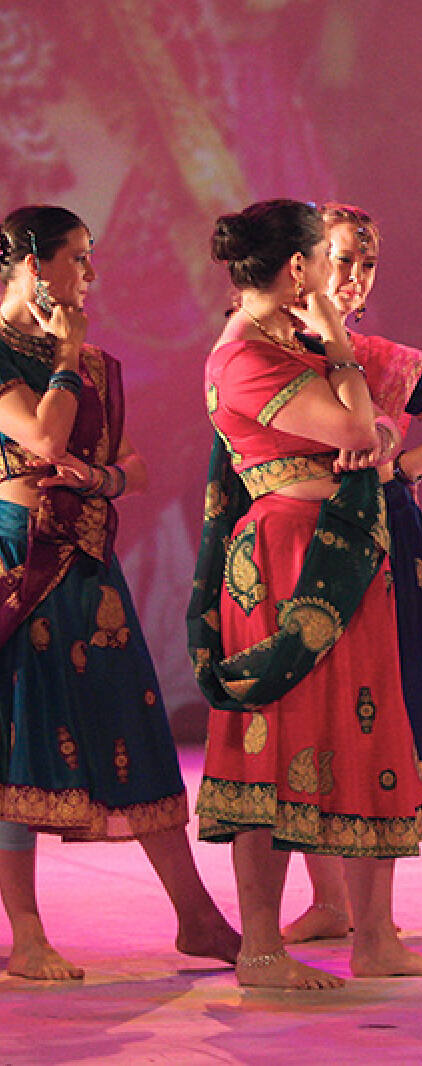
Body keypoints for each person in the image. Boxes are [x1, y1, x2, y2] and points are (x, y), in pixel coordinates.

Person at [188, 199, 422, 988]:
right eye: (323, 256)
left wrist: (371, 421)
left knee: (367, 732)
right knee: (271, 744)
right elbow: (354, 432)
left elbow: (374, 433)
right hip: (285, 561)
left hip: (343, 548)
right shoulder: (244, 355)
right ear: (298, 266)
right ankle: (261, 949)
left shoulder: (285, 342)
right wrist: (341, 349)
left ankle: (374, 938)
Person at [0, 205, 239, 980]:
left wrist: (99, 478)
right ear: (33, 267)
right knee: (20, 740)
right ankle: (28, 935)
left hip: (88, 566)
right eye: (77, 257)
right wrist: (66, 356)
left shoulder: (96, 365)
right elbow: (41, 436)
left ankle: (197, 916)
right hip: (18, 562)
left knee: (131, 726)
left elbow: (132, 467)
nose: (90, 274)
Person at [282, 202, 422, 944]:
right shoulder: (273, 350)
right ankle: (329, 901)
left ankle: (372, 913)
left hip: (382, 538)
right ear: (304, 262)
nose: (354, 274)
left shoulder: (383, 359)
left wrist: (405, 467)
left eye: (367, 262)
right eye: (341, 258)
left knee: (377, 715)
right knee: (308, 711)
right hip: (298, 538)